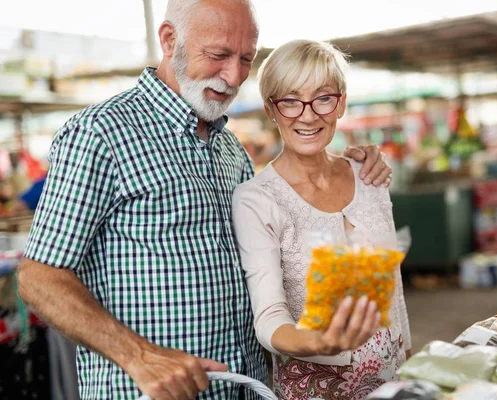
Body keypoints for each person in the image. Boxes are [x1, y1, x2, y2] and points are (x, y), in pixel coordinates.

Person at [15, 1, 392, 399]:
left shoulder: (230, 150)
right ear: (168, 39)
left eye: (246, 59)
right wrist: (139, 355)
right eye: (218, 55)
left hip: (245, 389)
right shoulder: (101, 134)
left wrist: (354, 164)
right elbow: (39, 277)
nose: (232, 76)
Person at [232, 40, 411, 400]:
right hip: (314, 389)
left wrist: (409, 361)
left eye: (323, 98)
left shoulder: (369, 175)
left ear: (340, 103)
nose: (308, 115)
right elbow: (268, 319)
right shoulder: (256, 199)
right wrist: (322, 341)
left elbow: (395, 292)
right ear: (271, 109)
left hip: (393, 381)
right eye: (290, 101)